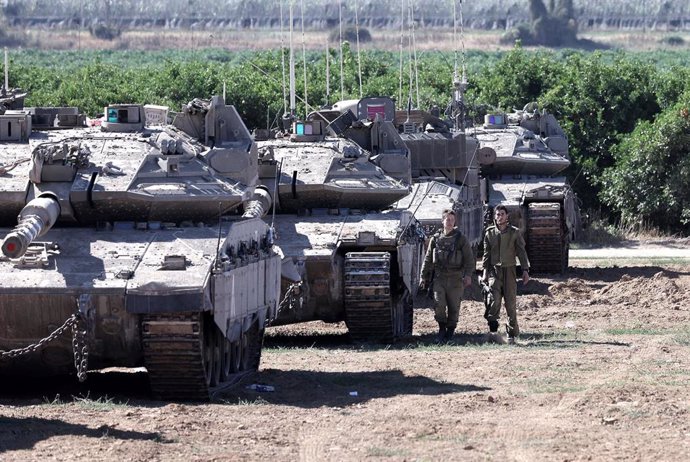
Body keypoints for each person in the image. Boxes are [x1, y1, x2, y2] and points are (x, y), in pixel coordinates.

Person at [420, 209, 474, 343]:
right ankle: (442, 329)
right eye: (447, 219)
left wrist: (468, 275)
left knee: (454, 307)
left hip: (456, 278)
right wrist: (423, 276)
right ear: (442, 221)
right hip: (440, 278)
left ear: (455, 221)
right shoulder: (436, 239)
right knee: (439, 304)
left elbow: (469, 259)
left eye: (452, 219)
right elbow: (427, 258)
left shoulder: (461, 238)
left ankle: (450, 331)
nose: (449, 222)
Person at [481, 205, 530, 344]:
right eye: (497, 214)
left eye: (502, 214)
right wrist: (485, 272)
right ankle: (493, 332)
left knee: (510, 303)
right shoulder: (489, 233)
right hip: (494, 272)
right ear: (494, 217)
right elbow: (486, 255)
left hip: (510, 271)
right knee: (493, 300)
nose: (500, 216)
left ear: (507, 216)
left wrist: (525, 270)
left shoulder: (514, 232)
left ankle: (511, 334)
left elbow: (521, 251)